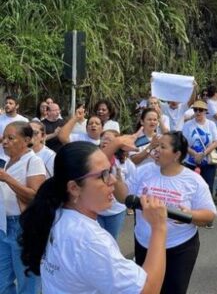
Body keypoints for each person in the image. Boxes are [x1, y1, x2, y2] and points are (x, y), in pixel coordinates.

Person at [19, 141, 167, 294]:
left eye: (110, 171)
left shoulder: (55, 212)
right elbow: (148, 290)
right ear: (74, 188)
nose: (113, 180)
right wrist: (159, 227)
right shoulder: (89, 240)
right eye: (102, 175)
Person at [114, 131, 217, 294]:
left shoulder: (193, 181)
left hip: (178, 249)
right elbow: (123, 198)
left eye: (162, 147)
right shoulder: (144, 171)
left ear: (176, 154)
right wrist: (117, 182)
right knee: (145, 289)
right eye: (157, 146)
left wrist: (189, 215)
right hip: (144, 245)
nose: (156, 150)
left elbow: (210, 216)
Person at [0, 121, 46, 294]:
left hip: (23, 227)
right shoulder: (5, 162)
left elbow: (35, 196)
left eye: (11, 138)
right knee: (2, 282)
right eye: (4, 137)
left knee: (27, 282)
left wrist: (8, 179)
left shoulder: (34, 161)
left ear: (27, 139)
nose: (5, 142)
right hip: (3, 227)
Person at [97, 130, 133, 239]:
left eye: (110, 139)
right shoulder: (91, 160)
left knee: (111, 240)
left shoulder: (125, 163)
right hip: (96, 210)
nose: (105, 141)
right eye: (103, 138)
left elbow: (131, 184)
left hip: (116, 210)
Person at [182, 100, 217, 198]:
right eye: (195, 110)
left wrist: (203, 153)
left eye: (200, 110)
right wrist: (194, 154)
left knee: (207, 189)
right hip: (191, 162)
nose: (198, 112)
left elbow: (215, 142)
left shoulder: (211, 124)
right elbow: (183, 143)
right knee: (191, 189)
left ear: (205, 111)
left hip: (208, 163)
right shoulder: (187, 125)